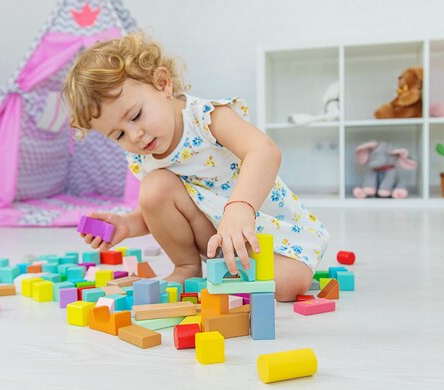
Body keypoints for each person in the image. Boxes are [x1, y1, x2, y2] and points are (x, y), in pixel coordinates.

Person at [62, 32, 330, 301]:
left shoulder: (206, 118)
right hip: (216, 235)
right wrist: (127, 225)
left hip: (262, 222)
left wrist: (240, 209)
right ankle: (187, 267)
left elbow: (264, 151)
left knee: (288, 285)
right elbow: (158, 209)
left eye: (135, 116)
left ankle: (235, 271)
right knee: (154, 188)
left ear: (163, 84)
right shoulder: (143, 156)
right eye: (118, 135)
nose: (134, 136)